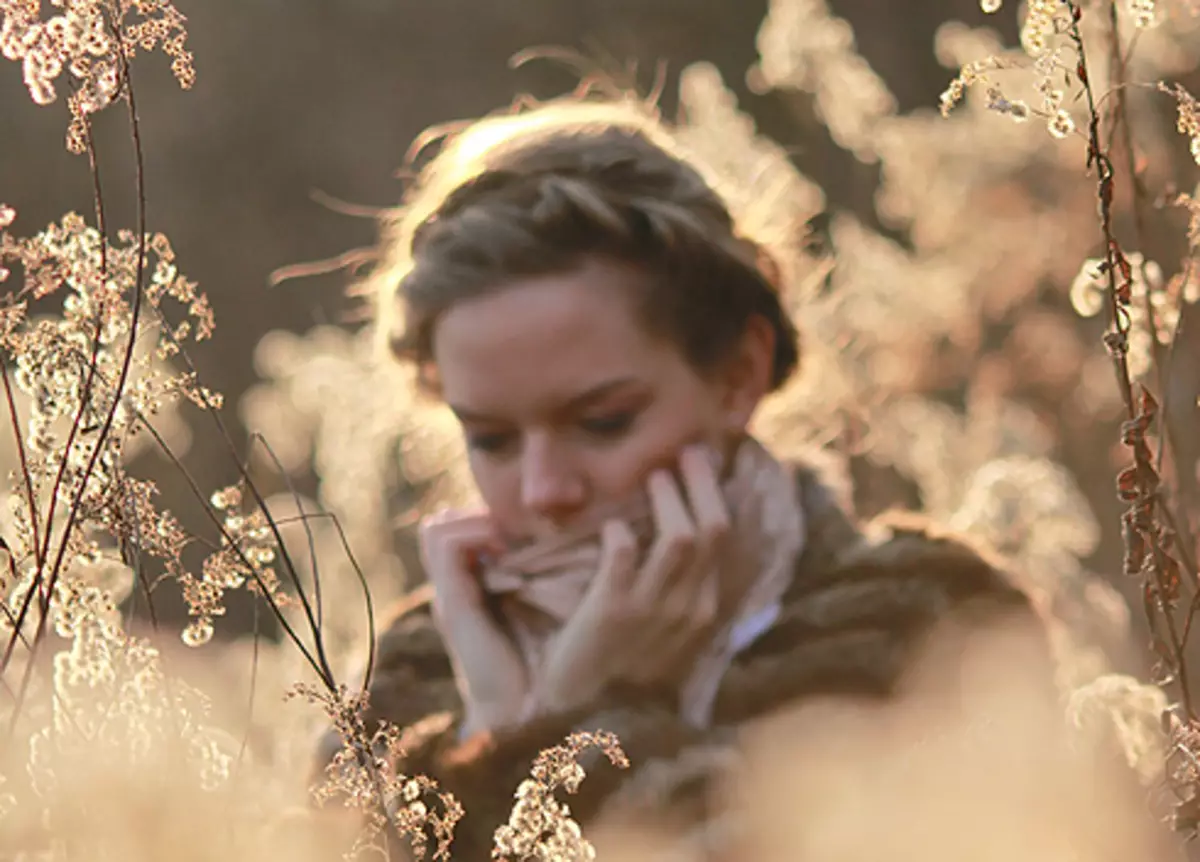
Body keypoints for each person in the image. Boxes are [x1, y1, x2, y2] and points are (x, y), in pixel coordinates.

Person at [315, 94, 1167, 861]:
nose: (543, 490)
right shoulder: (410, 676)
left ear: (737, 375)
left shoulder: (930, 621)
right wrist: (504, 729)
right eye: (491, 438)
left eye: (604, 422)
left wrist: (586, 730)